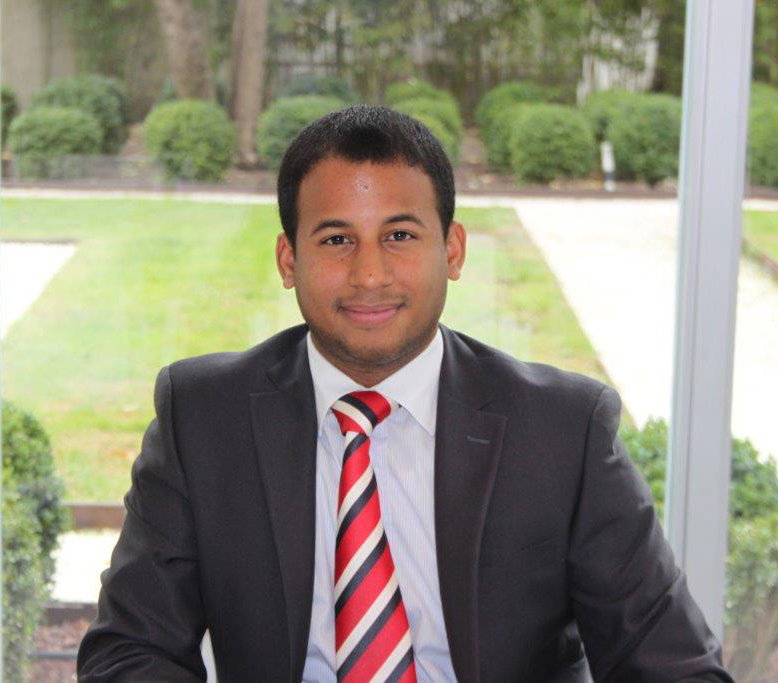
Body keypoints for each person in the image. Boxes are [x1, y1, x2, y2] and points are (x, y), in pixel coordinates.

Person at [77, 105, 732, 682]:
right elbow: (130, 649)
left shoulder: (564, 429)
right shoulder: (202, 418)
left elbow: (673, 664)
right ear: (288, 259)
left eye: (399, 236)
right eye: (337, 239)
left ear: (453, 249)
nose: (370, 274)